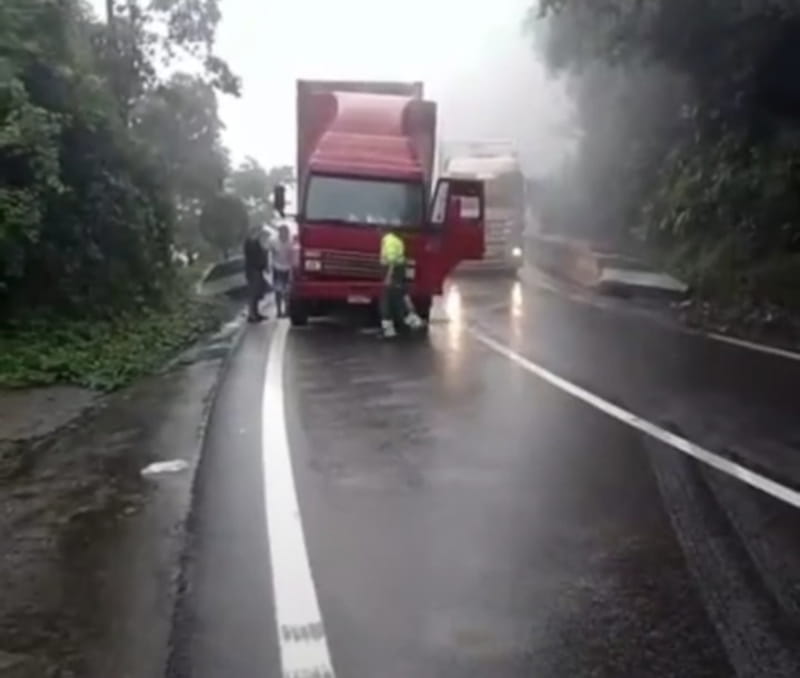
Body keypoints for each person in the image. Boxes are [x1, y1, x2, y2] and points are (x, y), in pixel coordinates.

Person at [379, 225, 424, 338]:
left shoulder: (389, 240)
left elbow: (391, 261)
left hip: (393, 273)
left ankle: (391, 330)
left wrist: (388, 277)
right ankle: (413, 322)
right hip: (399, 273)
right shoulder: (398, 240)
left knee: (387, 302)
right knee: (399, 299)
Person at [243, 226, 268, 322]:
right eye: (258, 232)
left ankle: (256, 313)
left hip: (258, 270)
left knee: (257, 293)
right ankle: (251, 315)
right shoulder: (249, 243)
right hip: (252, 270)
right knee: (253, 293)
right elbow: (252, 256)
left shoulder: (256, 242)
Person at [270, 225, 294, 318]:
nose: (284, 235)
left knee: (287, 291)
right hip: (277, 268)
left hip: (288, 268)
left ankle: (287, 310)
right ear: (279, 233)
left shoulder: (291, 242)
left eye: (286, 233)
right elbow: (270, 253)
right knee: (278, 291)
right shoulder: (274, 241)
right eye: (282, 233)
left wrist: (292, 269)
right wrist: (270, 266)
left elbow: (292, 256)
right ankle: (279, 311)